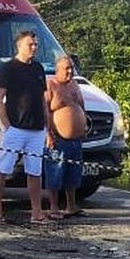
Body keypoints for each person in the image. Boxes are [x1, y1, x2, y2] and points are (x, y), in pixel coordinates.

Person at [0, 30, 50, 225]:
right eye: (30, 44)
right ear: (20, 46)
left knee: (35, 171)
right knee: (3, 168)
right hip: (15, 127)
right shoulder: (8, 68)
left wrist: (48, 126)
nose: (34, 48)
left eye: (35, 45)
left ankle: (36, 211)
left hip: (37, 129)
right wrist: (6, 125)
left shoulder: (38, 68)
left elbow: (42, 99)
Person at [44, 55, 87, 219]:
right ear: (57, 70)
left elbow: (81, 106)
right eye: (66, 68)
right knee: (55, 172)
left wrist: (84, 124)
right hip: (58, 139)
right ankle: (54, 207)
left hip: (76, 139)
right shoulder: (51, 85)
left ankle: (71, 205)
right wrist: (48, 134)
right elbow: (45, 111)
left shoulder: (75, 84)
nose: (70, 71)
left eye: (71, 68)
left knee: (74, 172)